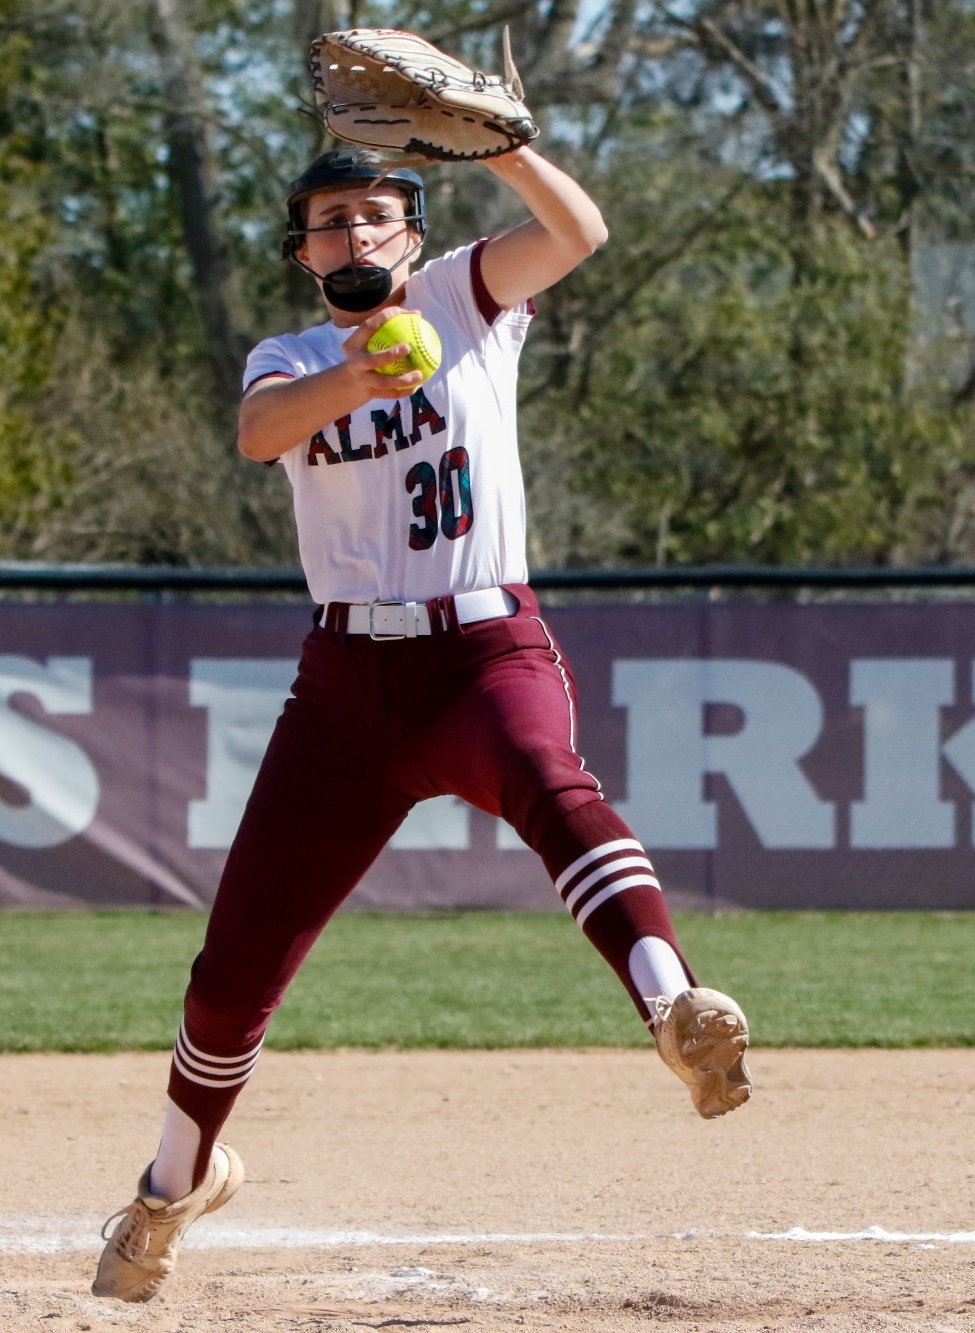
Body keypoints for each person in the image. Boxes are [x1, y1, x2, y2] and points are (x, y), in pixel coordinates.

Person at [91, 144, 752, 1303]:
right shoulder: (289, 358)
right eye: (328, 222)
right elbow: (259, 432)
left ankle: (674, 1008)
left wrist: (499, 145)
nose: (353, 236)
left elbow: (579, 230)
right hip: (345, 684)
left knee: (552, 784)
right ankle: (167, 1190)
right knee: (234, 963)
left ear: (413, 231)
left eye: (375, 215)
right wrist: (361, 378)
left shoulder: (459, 295)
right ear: (300, 253)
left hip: (482, 648)